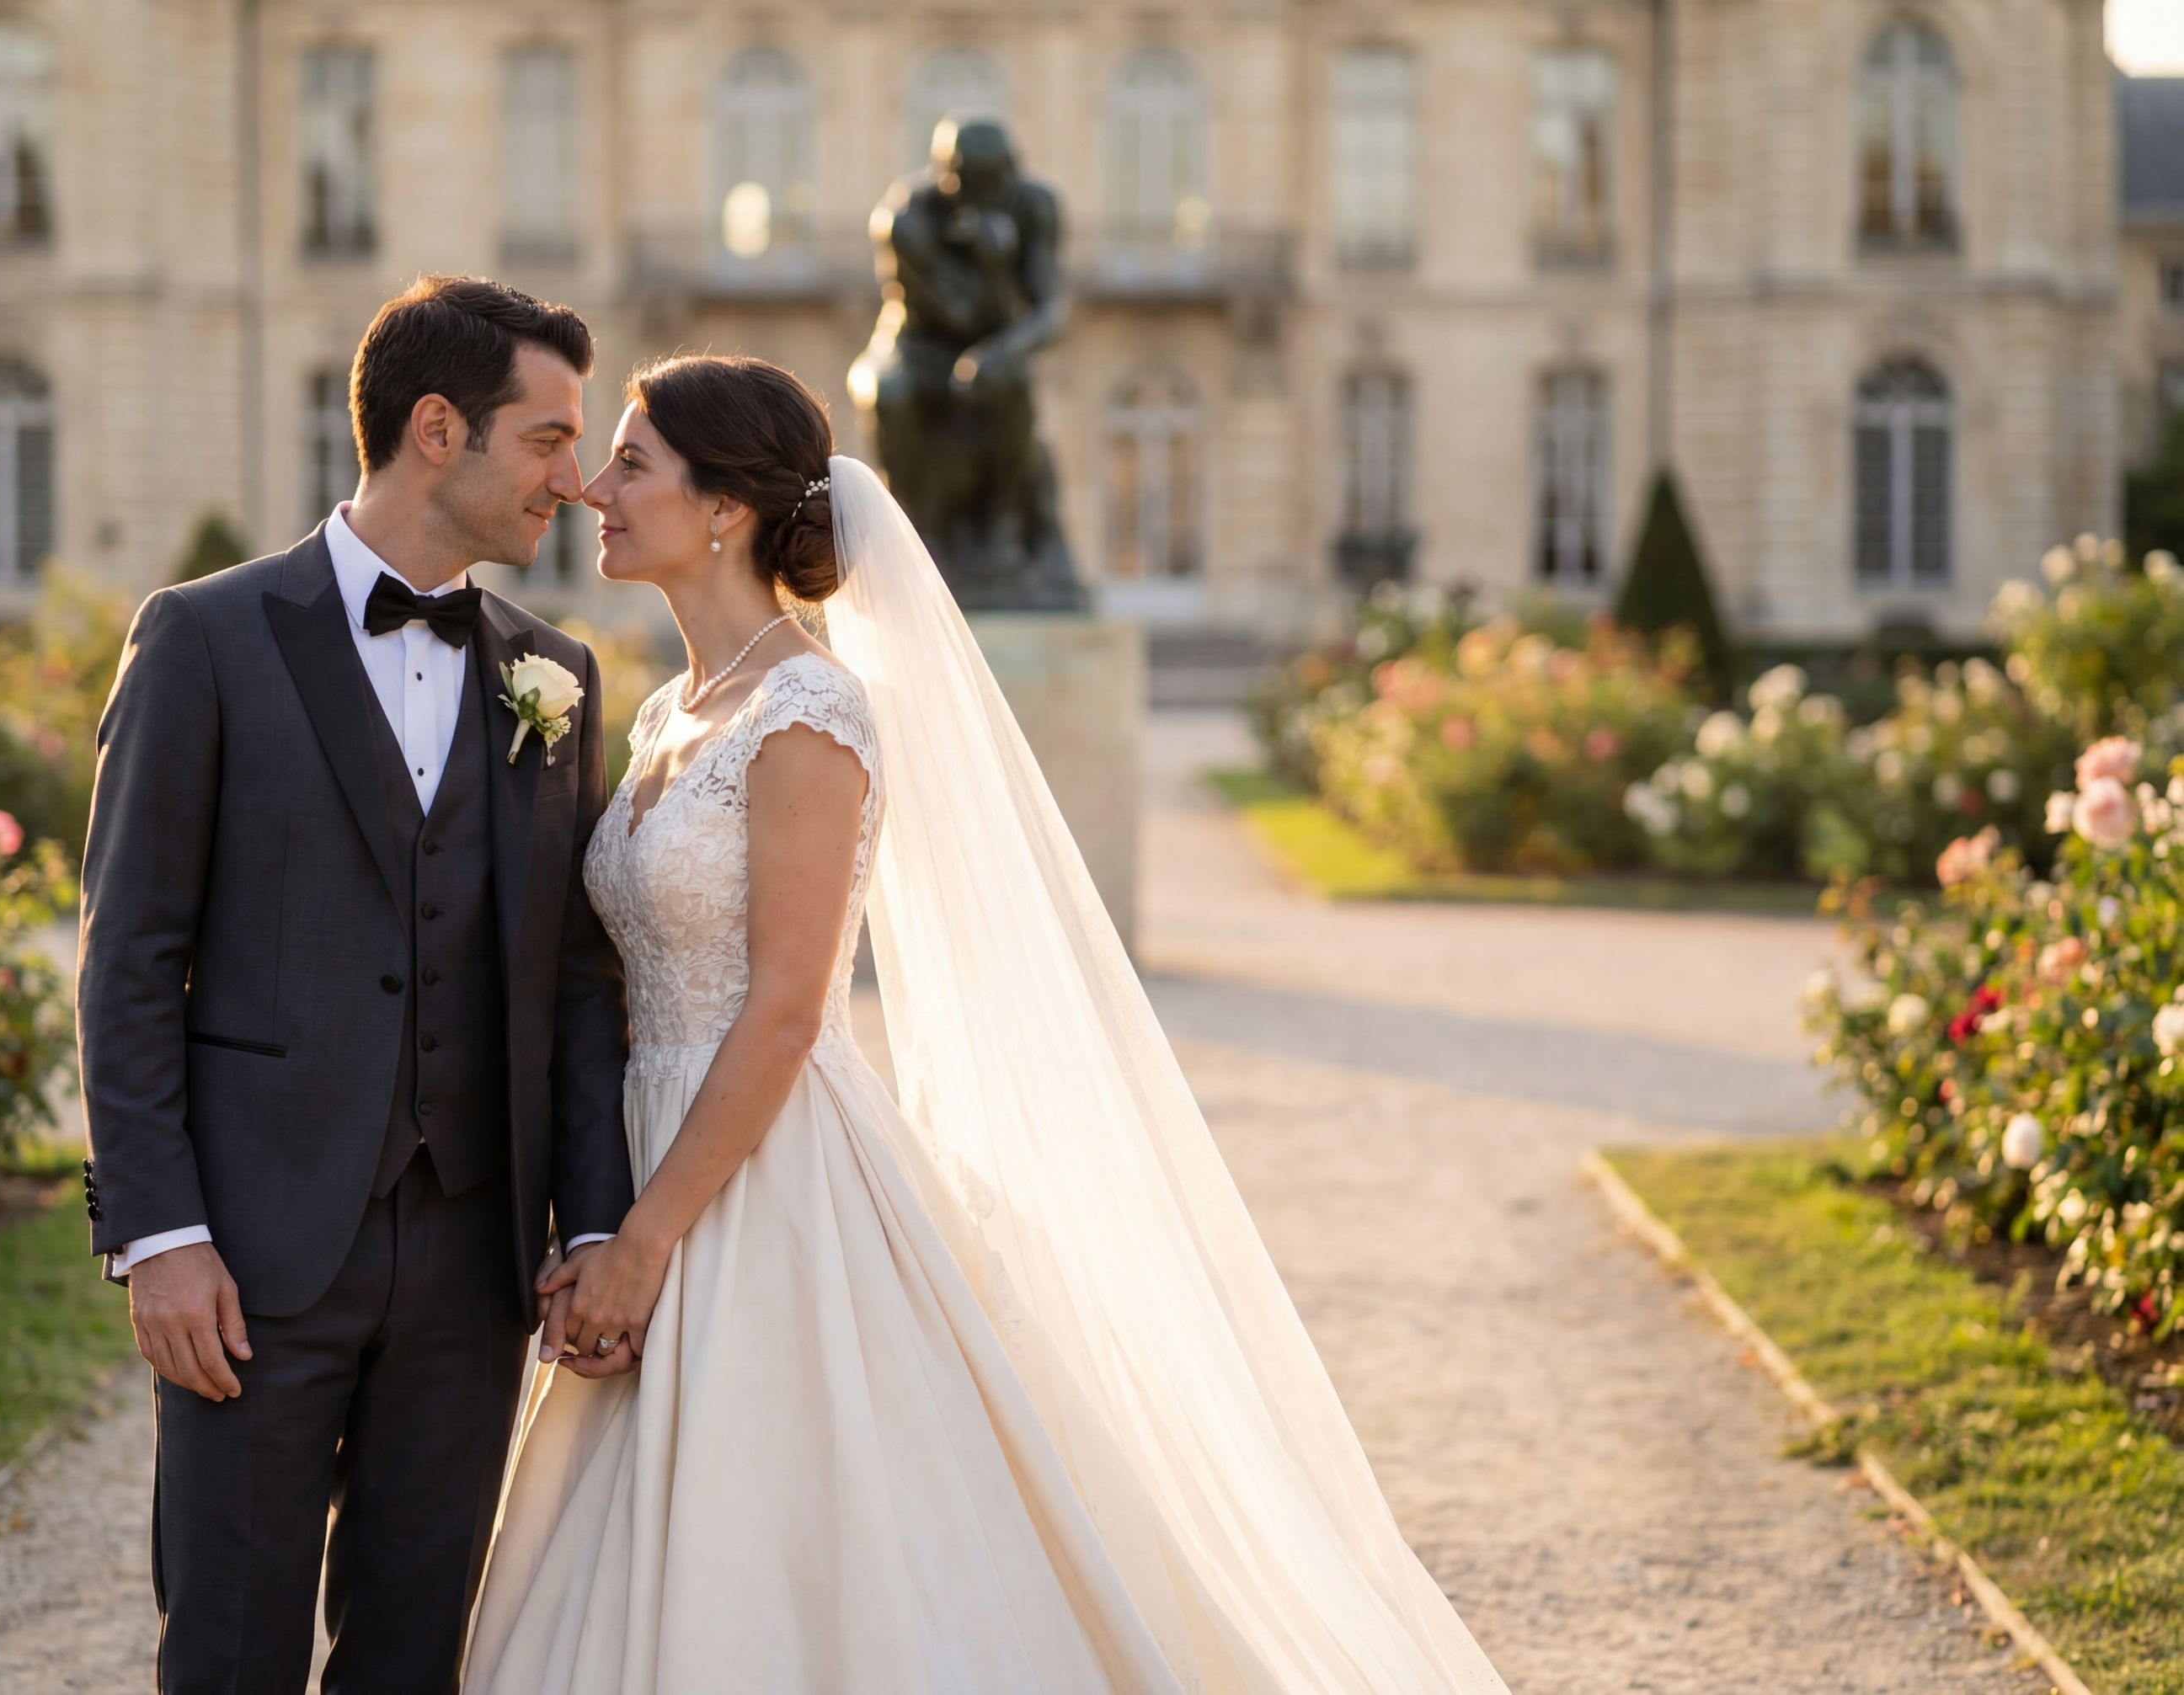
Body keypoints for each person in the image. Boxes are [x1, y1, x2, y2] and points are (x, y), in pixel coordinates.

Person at [464, 354, 1510, 1693]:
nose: (593, 490)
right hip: (648, 1146)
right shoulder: (671, 711)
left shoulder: (808, 712)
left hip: (771, 1174)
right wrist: (597, 1218)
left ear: (724, 507)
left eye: (631, 464)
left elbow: (787, 1013)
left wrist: (649, 1237)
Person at [76, 275, 637, 1694]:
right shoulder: (204, 636)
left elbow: (575, 986)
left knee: (413, 1655)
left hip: (471, 1262)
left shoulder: (552, 677)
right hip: (251, 1254)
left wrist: (593, 1225)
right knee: (230, 1648)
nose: (573, 483)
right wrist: (159, 1235)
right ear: (436, 429)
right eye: (549, 439)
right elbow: (128, 955)